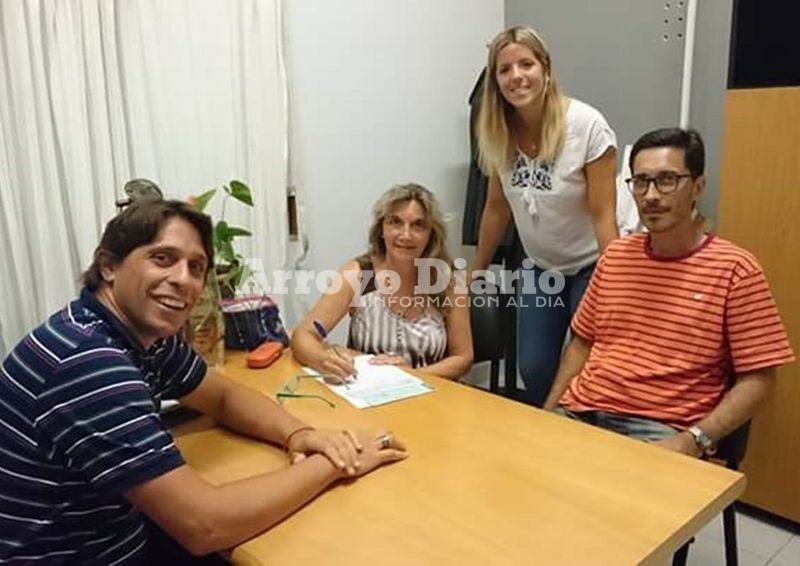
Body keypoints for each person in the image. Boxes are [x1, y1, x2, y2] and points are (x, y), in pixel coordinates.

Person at [0, 199, 407, 564]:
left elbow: (224, 396)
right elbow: (203, 525)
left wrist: (299, 434)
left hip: (115, 535)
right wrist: (336, 462)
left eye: (196, 267)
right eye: (163, 258)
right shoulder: (89, 364)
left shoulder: (134, 334)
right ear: (109, 266)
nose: (184, 279)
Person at [543, 128, 795, 456]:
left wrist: (694, 440)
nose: (650, 195)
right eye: (641, 181)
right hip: (582, 410)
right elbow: (582, 343)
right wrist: (547, 414)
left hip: (661, 428)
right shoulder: (616, 257)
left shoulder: (735, 269)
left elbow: (760, 379)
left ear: (697, 187)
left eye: (666, 180)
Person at [471, 26, 619, 406]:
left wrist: (618, 282)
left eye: (526, 64)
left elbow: (605, 215)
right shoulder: (496, 129)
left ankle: (579, 440)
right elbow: (496, 207)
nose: (516, 76)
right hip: (541, 266)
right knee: (535, 368)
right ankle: (548, 436)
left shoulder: (586, 126)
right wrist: (476, 270)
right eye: (504, 69)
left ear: (546, 68)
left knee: (588, 367)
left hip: (592, 265)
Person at [292, 183, 473, 380]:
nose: (405, 235)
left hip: (432, 395)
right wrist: (323, 359)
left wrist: (410, 375)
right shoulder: (358, 274)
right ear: (381, 229)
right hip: (367, 397)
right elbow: (303, 335)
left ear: (431, 234)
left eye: (418, 225)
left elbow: (462, 358)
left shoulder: (448, 281)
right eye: (395, 222)